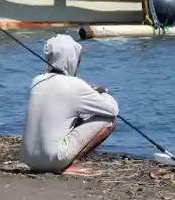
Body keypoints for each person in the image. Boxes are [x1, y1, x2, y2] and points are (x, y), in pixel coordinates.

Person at [22, 34, 118, 175]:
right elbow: (113, 109)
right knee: (110, 120)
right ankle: (73, 163)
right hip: (54, 160)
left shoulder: (36, 81)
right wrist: (102, 93)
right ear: (72, 59)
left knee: (75, 115)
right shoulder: (75, 84)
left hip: (29, 159)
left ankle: (55, 160)